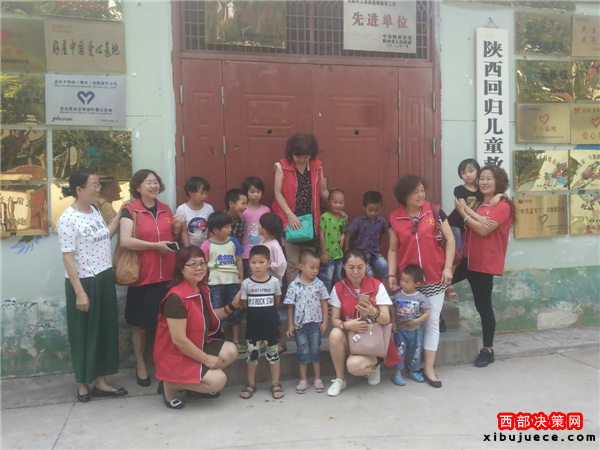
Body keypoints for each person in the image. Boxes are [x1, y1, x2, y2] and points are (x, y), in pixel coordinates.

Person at [58, 169, 127, 402]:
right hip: (84, 281)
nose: (98, 189)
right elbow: (68, 258)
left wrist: (121, 214)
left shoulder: (95, 211)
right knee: (82, 332)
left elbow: (104, 236)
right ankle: (82, 383)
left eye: (99, 184)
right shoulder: (67, 219)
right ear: (79, 189)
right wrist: (80, 293)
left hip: (104, 276)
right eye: (94, 185)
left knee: (105, 329)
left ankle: (101, 381)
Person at [387, 175, 455, 389]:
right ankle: (410, 365)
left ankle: (429, 367)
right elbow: (392, 249)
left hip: (435, 277)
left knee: (432, 321)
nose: (421, 194)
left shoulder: (435, 212)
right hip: (410, 283)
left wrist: (447, 268)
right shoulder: (394, 219)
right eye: (415, 191)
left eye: (422, 190)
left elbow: (451, 240)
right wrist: (391, 275)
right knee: (410, 323)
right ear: (404, 196)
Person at [120, 169, 184, 387]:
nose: (154, 186)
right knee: (140, 325)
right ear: (138, 187)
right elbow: (125, 241)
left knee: (166, 325)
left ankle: (164, 367)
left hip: (168, 277)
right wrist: (155, 246)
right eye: (148, 182)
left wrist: (176, 230)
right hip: (143, 277)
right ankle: (140, 364)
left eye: (156, 182)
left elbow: (172, 240)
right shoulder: (131, 210)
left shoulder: (166, 209)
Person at [154, 246, 239, 409]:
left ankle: (192, 384)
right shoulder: (176, 297)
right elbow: (179, 340)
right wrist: (206, 359)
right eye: (192, 264)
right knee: (218, 381)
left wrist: (233, 306)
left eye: (202, 263)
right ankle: (169, 385)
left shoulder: (201, 287)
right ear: (181, 269)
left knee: (230, 351)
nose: (199, 268)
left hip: (196, 345)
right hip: (176, 354)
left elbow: (209, 317)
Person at [452, 165, 514, 368]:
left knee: (483, 306)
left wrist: (463, 214)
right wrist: (465, 210)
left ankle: (488, 350)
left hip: (484, 264)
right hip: (467, 259)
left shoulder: (503, 206)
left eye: (489, 179)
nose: (484, 182)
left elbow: (483, 230)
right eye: (482, 178)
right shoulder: (479, 203)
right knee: (441, 281)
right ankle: (439, 320)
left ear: (498, 182)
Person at [327, 249, 400, 397]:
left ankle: (375, 363)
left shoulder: (376, 285)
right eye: (351, 267)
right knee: (335, 334)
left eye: (360, 267)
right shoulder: (339, 287)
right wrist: (346, 325)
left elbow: (386, 319)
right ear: (343, 266)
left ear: (366, 266)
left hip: (374, 340)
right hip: (353, 338)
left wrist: (374, 312)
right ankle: (340, 379)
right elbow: (334, 319)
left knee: (354, 366)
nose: (355, 272)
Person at [272, 133, 329, 284]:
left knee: (310, 263)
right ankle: (294, 295)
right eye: (298, 156)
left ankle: (308, 294)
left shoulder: (317, 166)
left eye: (306, 156)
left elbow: (323, 191)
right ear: (291, 153)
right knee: (293, 264)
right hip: (290, 220)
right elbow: (277, 193)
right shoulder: (282, 166)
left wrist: (335, 207)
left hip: (310, 222)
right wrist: (290, 215)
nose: (302, 159)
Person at [446, 160, 503, 301]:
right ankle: (448, 282)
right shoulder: (459, 190)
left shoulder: (480, 190)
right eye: (463, 172)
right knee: (457, 252)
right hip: (454, 224)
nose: (467, 175)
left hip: (466, 227)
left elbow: (501, 194)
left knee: (461, 253)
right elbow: (463, 207)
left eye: (471, 171)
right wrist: (479, 218)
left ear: (478, 171)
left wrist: (500, 195)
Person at [239, 245, 284, 400]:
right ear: (249, 263)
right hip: (253, 328)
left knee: (273, 355)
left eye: (261, 262)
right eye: (253, 262)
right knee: (252, 357)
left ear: (268, 263)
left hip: (270, 327)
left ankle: (276, 383)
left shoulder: (274, 282)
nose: (257, 266)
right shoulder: (246, 283)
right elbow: (244, 303)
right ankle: (250, 384)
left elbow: (277, 301)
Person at [284, 249, 330, 394]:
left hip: (315, 324)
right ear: (301, 266)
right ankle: (303, 379)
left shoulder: (319, 284)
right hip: (300, 325)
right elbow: (290, 306)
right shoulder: (294, 286)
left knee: (315, 350)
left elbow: (324, 303)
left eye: (317, 268)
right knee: (302, 351)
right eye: (312, 267)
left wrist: (325, 322)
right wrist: (290, 325)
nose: (315, 271)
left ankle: (317, 378)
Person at [201, 212, 245, 352]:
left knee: (235, 311)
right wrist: (204, 281)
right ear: (215, 230)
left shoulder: (233, 242)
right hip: (215, 283)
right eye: (226, 227)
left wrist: (241, 278)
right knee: (216, 311)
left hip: (232, 281)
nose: (230, 229)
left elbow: (239, 260)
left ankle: (236, 340)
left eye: (229, 226)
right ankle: (217, 341)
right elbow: (204, 265)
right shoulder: (206, 245)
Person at [391, 265, 430, 386]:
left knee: (415, 351)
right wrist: (393, 322)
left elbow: (427, 313)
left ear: (417, 284)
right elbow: (393, 309)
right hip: (401, 330)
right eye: (402, 280)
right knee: (399, 350)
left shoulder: (421, 297)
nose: (403, 284)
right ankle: (397, 373)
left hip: (415, 330)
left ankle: (413, 371)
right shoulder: (397, 295)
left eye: (407, 282)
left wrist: (416, 321)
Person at [345, 191, 389, 278]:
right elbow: (347, 235)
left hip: (374, 254)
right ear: (364, 207)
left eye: (376, 210)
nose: (373, 213)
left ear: (380, 208)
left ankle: (384, 287)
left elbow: (381, 234)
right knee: (370, 274)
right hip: (360, 255)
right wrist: (347, 253)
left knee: (385, 267)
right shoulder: (358, 221)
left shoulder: (381, 221)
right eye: (370, 210)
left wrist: (377, 246)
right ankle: (368, 287)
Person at [318, 188, 347, 292]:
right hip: (327, 255)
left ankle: (335, 299)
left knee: (337, 278)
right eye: (335, 202)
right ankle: (324, 299)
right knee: (326, 279)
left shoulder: (342, 219)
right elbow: (321, 235)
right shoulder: (324, 217)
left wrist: (343, 235)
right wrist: (323, 253)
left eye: (341, 202)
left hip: (338, 255)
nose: (338, 205)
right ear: (329, 202)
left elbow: (343, 231)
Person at [241, 176, 270, 278]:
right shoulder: (243, 210)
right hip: (247, 252)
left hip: (263, 251)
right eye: (252, 192)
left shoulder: (266, 210)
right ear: (246, 192)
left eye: (258, 191)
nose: (256, 195)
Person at [176, 176, 214, 248]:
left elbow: (210, 230)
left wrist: (209, 247)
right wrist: (188, 249)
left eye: (206, 193)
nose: (204, 196)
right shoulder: (182, 209)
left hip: (205, 246)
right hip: (189, 247)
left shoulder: (209, 208)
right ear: (190, 192)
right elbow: (184, 232)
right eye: (201, 193)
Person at [259, 213, 287, 284]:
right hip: (262, 280)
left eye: (259, 224)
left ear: (264, 230)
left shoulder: (274, 245)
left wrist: (269, 265)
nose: (257, 226)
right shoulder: (262, 242)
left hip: (272, 282)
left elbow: (282, 264)